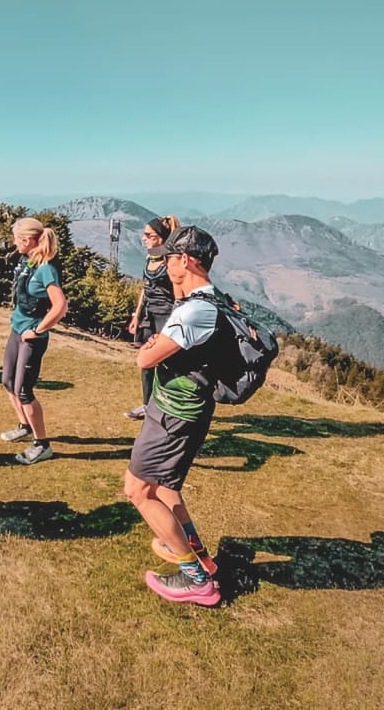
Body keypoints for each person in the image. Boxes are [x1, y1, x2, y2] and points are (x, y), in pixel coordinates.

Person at [123, 225, 226, 607]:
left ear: (184, 260)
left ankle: (196, 580)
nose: (164, 264)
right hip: (183, 411)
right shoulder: (205, 300)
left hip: (173, 415)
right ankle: (196, 552)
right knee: (166, 488)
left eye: (168, 258)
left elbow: (145, 357)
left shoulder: (196, 310)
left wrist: (153, 345)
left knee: (139, 491)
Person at [0, 217, 69, 465]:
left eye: (17, 239)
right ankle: (24, 426)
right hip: (17, 331)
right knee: (7, 381)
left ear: (28, 241)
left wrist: (38, 329)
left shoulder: (46, 268)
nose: (14, 243)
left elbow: (60, 306)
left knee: (24, 391)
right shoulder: (27, 260)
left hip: (31, 337)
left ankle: (42, 444)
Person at [124, 216, 181, 420]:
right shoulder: (151, 258)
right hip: (150, 314)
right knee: (146, 362)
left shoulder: (171, 261)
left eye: (149, 235)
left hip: (166, 316)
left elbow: (178, 292)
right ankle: (148, 405)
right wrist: (137, 315)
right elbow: (145, 288)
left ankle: (168, 405)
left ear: (161, 238)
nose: (144, 238)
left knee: (166, 364)